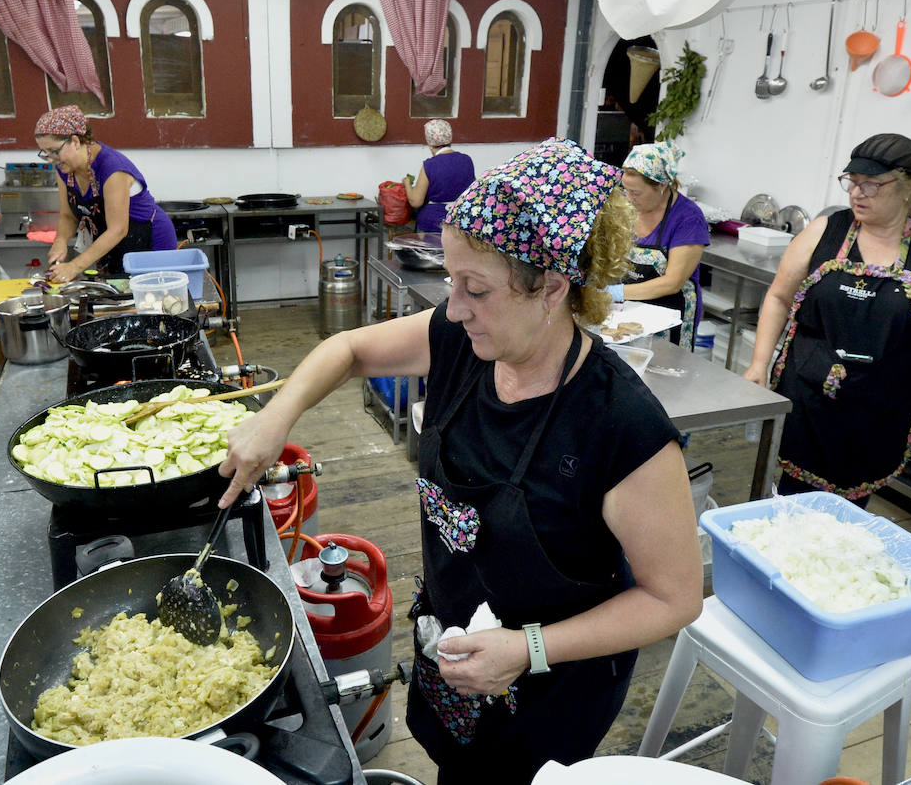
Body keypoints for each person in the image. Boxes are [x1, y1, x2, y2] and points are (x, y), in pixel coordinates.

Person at [218, 138, 703, 782]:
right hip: (453, 635)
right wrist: (275, 416)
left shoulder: (622, 428)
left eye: (476, 289)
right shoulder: (459, 341)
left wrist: (527, 649)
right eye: (452, 281)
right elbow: (349, 351)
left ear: (552, 288)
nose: (453, 308)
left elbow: (674, 598)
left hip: (549, 685)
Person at [743, 133, 911, 503]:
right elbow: (779, 296)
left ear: (907, 188)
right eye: (852, 182)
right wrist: (758, 364)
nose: (856, 194)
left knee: (850, 505)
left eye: (871, 185)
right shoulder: (827, 229)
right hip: (809, 390)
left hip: (885, 404)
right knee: (790, 496)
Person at [34, 105, 178, 282]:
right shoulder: (64, 167)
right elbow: (68, 215)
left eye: (54, 151)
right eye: (45, 152)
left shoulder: (112, 168)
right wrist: (61, 240)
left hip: (149, 241)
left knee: (151, 302)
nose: (50, 159)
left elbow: (118, 229)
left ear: (76, 141)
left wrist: (74, 266)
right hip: (113, 245)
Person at [618, 142, 710, 349]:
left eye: (636, 193)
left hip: (670, 317)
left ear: (661, 186)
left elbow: (672, 282)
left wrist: (615, 292)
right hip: (628, 311)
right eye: (626, 190)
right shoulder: (628, 209)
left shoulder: (688, 218)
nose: (629, 198)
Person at [405, 119, 475, 233]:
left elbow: (416, 201)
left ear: (429, 141)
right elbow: (473, 190)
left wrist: (407, 183)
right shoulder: (466, 160)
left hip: (433, 224)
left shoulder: (430, 164)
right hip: (462, 221)